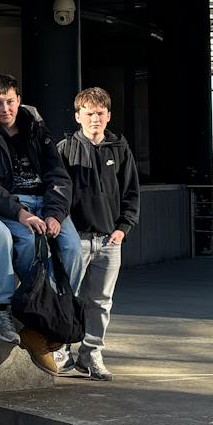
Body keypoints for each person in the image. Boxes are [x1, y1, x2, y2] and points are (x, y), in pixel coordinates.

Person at [0, 74, 79, 346]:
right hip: (15, 206)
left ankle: (58, 305)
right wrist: (21, 213)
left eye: (10, 102)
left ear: (19, 100)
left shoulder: (38, 132)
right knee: (29, 244)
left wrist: (55, 213)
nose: (5, 109)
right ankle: (39, 309)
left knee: (72, 248)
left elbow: (58, 175)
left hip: (48, 202)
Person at [56, 87, 141, 381]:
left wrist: (123, 229)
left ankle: (91, 353)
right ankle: (61, 350)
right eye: (89, 113)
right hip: (74, 239)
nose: (95, 118)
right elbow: (56, 194)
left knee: (101, 302)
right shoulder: (65, 149)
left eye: (100, 113)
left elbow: (131, 192)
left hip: (109, 240)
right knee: (67, 296)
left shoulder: (120, 149)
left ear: (108, 116)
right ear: (78, 116)